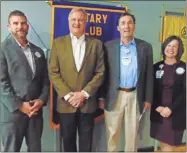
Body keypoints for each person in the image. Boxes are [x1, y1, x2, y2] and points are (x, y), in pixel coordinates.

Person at [48, 8, 105, 152]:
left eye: (80, 20)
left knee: (86, 145)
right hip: (66, 104)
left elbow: (101, 72)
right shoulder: (58, 43)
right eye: (73, 20)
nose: (77, 23)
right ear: (68, 22)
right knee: (68, 144)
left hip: (87, 104)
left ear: (85, 22)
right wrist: (69, 96)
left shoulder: (96, 44)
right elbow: (53, 72)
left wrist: (83, 94)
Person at [102, 12, 153, 152]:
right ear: (118, 27)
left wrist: (148, 98)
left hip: (135, 95)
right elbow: (102, 73)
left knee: (133, 133)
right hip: (114, 95)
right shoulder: (108, 47)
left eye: (129, 23)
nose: (126, 26)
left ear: (134, 26)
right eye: (123, 23)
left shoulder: (145, 47)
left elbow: (149, 74)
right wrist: (101, 96)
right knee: (112, 133)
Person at [0, 10, 49, 152]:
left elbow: (45, 81)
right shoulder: (3, 49)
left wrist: (41, 100)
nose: (20, 26)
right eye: (15, 23)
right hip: (12, 114)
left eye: (23, 23)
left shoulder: (38, 51)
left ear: (27, 26)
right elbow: (2, 83)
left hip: (35, 112)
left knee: (35, 149)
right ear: (9, 26)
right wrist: (20, 105)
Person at [150, 35, 186, 151]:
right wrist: (157, 107)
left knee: (170, 147)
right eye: (169, 45)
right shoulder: (156, 67)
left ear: (179, 50)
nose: (171, 48)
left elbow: (185, 93)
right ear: (164, 47)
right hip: (159, 113)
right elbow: (151, 89)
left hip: (175, 114)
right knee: (163, 145)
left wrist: (170, 108)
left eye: (175, 46)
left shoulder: (184, 68)